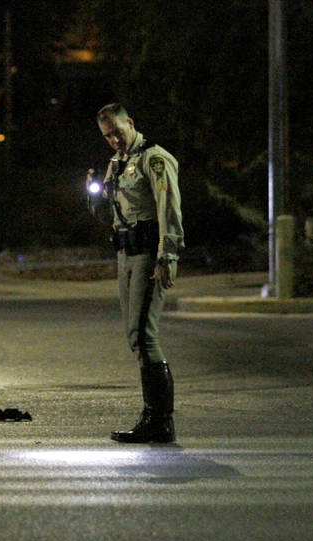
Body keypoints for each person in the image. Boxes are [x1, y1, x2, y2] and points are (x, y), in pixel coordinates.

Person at [87, 102, 184, 443]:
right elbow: (109, 214)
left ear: (130, 122)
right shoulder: (118, 163)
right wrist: (94, 195)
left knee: (145, 335)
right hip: (125, 254)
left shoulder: (153, 159)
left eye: (117, 131)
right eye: (107, 135)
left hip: (147, 254)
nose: (113, 139)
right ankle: (154, 419)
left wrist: (167, 256)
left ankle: (160, 421)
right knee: (135, 336)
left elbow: (168, 209)